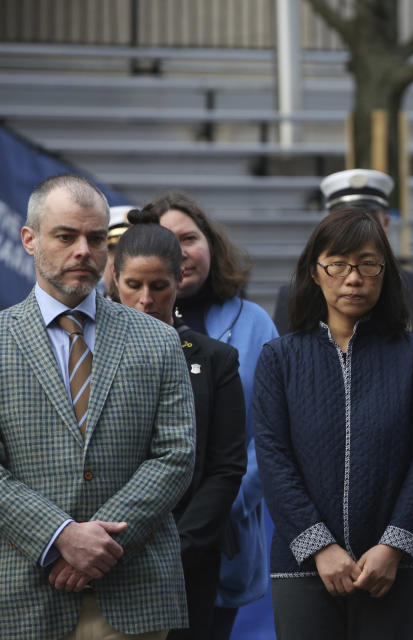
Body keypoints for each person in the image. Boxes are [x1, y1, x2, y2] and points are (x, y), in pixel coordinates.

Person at [0, 174, 195, 638]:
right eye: (65, 236)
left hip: (136, 595)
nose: (83, 250)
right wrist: (61, 536)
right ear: (29, 239)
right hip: (26, 596)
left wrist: (100, 545)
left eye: (94, 237)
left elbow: (177, 455)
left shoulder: (159, 339)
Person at [254, 208, 413, 639]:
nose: (352, 277)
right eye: (337, 264)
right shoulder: (280, 357)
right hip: (304, 567)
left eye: (367, 264)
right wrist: (319, 546)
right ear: (315, 273)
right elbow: (273, 458)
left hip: (394, 568)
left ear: (386, 272)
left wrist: (393, 546)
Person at [143, 192, 279, 638]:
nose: (180, 250)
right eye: (167, 239)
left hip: (224, 535)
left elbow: (272, 431)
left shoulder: (255, 322)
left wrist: (225, 505)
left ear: (212, 245)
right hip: (141, 542)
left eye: (190, 237)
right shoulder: (129, 320)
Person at [112, 213, 248, 638]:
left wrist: (178, 548)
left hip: (189, 561)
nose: (146, 299)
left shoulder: (215, 359)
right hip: (105, 556)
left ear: (178, 284)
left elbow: (226, 468)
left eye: (159, 286)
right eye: (133, 285)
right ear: (114, 281)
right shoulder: (85, 355)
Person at [273, 168, 413, 362]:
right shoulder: (293, 296)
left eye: (369, 221)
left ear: (385, 223)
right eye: (346, 223)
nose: (353, 279)